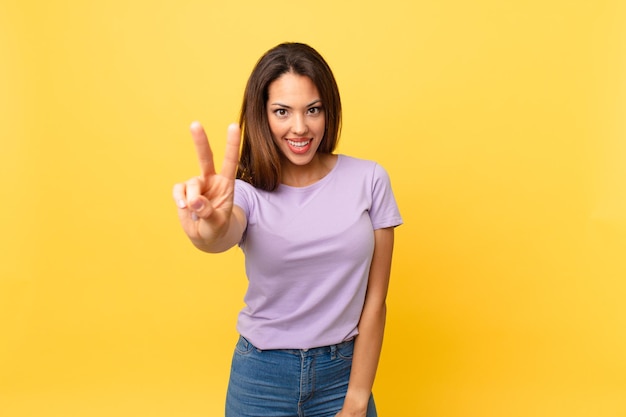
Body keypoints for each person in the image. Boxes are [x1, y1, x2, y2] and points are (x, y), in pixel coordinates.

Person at [173, 42, 402, 417]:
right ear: (263, 116)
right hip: (261, 377)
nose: (300, 127)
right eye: (283, 111)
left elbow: (375, 302)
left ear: (329, 110)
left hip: (344, 375)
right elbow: (223, 232)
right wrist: (208, 227)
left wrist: (358, 398)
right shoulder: (245, 193)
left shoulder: (369, 180)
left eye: (313, 110)